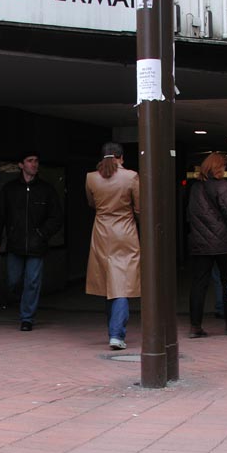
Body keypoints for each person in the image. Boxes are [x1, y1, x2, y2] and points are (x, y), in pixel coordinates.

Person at [0, 151, 63, 331]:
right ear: (21, 165)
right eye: (30, 161)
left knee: (32, 282)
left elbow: (56, 217)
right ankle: (22, 301)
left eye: (36, 161)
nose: (34, 164)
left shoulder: (46, 189)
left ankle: (27, 318)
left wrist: (42, 233)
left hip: (37, 245)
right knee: (13, 281)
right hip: (15, 244)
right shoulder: (10, 189)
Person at [186, 152, 227, 338]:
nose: (225, 169)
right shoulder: (224, 187)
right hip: (222, 243)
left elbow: (189, 214)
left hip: (199, 243)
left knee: (198, 284)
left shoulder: (195, 188)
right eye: (224, 166)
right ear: (218, 167)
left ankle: (195, 326)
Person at [85, 142, 140, 350]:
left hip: (101, 231)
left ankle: (113, 331)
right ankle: (117, 334)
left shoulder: (91, 178)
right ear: (121, 157)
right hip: (125, 232)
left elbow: (91, 203)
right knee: (122, 283)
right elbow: (139, 208)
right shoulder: (131, 177)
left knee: (110, 282)